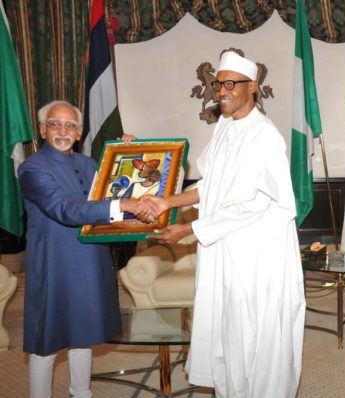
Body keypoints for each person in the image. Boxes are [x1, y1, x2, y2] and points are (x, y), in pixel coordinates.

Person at [139, 51, 306, 398]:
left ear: (253, 87)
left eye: (231, 84)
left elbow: (259, 203)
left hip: (257, 258)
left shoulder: (265, 136)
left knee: (254, 339)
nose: (221, 91)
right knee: (227, 333)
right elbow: (210, 186)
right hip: (225, 250)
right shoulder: (225, 128)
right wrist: (167, 201)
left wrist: (189, 229)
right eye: (218, 84)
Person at [18, 100, 145, 398]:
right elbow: (66, 210)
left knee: (82, 335)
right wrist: (120, 204)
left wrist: (130, 154)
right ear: (41, 130)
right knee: (45, 343)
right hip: (54, 265)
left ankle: (81, 393)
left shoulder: (89, 165)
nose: (63, 131)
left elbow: (122, 191)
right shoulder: (32, 168)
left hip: (90, 260)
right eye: (54, 124)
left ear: (78, 133)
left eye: (70, 125)